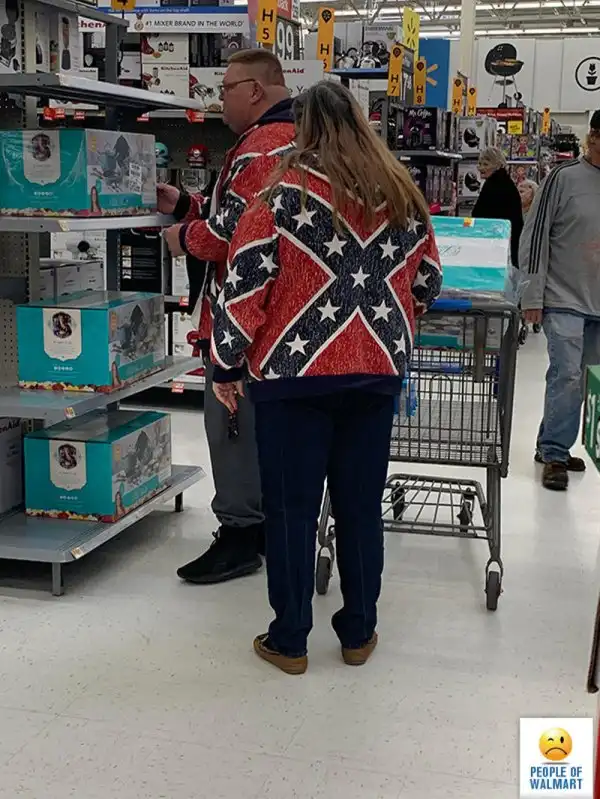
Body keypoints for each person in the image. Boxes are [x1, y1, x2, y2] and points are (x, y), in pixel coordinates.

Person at [211, 81, 442, 675]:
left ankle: (290, 640)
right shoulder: (403, 196)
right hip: (375, 376)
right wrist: (383, 330)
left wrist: (226, 363)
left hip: (293, 380)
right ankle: (359, 632)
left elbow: (246, 284)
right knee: (361, 508)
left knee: (291, 510)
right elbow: (427, 283)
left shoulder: (280, 195)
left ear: (304, 127)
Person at [159, 49, 295, 584]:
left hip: (244, 317)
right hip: (283, 321)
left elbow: (232, 237)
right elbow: (240, 216)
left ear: (255, 91)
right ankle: (266, 529)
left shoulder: (261, 148)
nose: (219, 102)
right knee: (266, 432)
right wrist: (187, 204)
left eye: (226, 90)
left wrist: (183, 236)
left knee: (231, 424)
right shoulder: (295, 139)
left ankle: (240, 534)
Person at [520, 111, 600, 491]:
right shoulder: (562, 178)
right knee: (566, 374)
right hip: (563, 296)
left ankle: (549, 441)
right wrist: (531, 294)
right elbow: (535, 236)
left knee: (583, 379)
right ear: (594, 137)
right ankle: (555, 453)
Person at [473, 147, 524, 268]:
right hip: (509, 246)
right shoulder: (506, 182)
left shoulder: (493, 185)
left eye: (486, 164)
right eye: (480, 163)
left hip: (496, 246)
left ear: (498, 165)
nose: (480, 168)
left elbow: (480, 216)